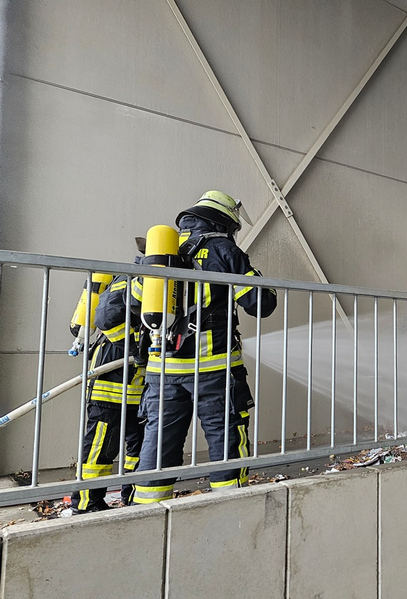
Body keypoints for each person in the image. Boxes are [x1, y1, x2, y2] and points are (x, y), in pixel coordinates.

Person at [131, 191, 277, 504]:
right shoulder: (222, 248)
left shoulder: (161, 251)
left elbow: (134, 304)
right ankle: (231, 506)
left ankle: (146, 509)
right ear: (225, 222)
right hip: (213, 368)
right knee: (225, 437)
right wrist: (259, 281)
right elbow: (259, 303)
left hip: (162, 370)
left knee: (159, 442)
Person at [71, 239, 147, 513]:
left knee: (138, 447)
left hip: (139, 387)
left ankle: (133, 496)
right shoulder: (129, 280)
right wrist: (135, 345)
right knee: (100, 447)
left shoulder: (159, 283)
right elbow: (106, 318)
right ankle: (87, 503)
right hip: (111, 380)